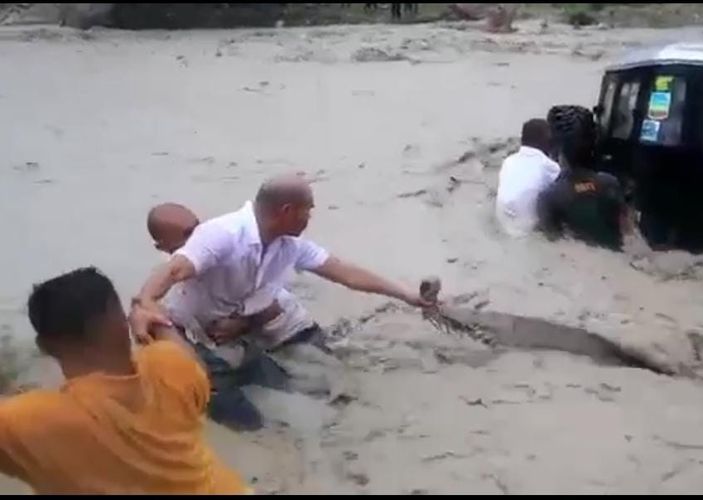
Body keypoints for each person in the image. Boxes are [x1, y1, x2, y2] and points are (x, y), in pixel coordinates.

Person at [130, 174, 434, 428]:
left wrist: (408, 296)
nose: (311, 217)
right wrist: (146, 301)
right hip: (205, 337)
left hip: (252, 323)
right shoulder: (221, 234)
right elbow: (172, 269)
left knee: (313, 380)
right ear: (287, 211)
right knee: (243, 418)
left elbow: (346, 273)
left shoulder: (288, 245)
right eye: (308, 210)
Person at [0, 267, 248, 494]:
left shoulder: (33, 422)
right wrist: (157, 324)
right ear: (123, 322)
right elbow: (193, 365)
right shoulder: (168, 366)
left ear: (45, 347)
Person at [536, 164, 630, 252]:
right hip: (614, 251)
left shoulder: (549, 195)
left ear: (564, 158)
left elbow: (552, 238)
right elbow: (626, 226)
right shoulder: (611, 182)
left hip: (577, 253)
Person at [495, 119, 561, 238]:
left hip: (501, 221)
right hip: (528, 230)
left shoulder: (508, 161)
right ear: (545, 141)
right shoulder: (550, 167)